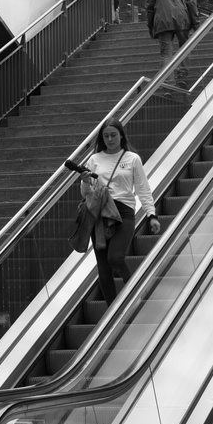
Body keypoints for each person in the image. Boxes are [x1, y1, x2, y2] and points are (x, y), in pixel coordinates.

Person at [81, 120, 159, 305]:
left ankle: (133, 289)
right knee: (104, 270)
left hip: (123, 212)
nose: (109, 139)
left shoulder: (132, 158)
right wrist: (85, 181)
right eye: (106, 136)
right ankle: (111, 313)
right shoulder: (94, 159)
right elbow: (86, 194)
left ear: (122, 135)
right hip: (99, 214)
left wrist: (151, 215)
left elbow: (142, 188)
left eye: (113, 135)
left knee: (115, 258)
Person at [145, 0, 200, 86]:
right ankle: (182, 76)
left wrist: (151, 26)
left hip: (162, 20)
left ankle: (168, 84)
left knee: (165, 54)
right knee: (184, 47)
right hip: (182, 19)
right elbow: (191, 2)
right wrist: (196, 22)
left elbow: (149, 6)